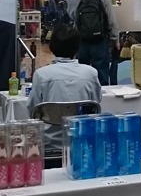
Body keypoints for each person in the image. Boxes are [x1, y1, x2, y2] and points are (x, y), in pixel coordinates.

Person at [27, 25, 103, 154]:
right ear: (77, 47)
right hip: (82, 142)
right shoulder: (90, 73)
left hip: (49, 144)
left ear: (52, 47)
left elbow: (33, 110)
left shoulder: (41, 75)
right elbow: (95, 104)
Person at [68, 0, 120, 84]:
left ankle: (84, 91)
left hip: (80, 40)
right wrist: (115, 38)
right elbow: (111, 21)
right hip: (100, 40)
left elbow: (72, 18)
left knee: (81, 72)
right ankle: (102, 92)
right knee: (101, 73)